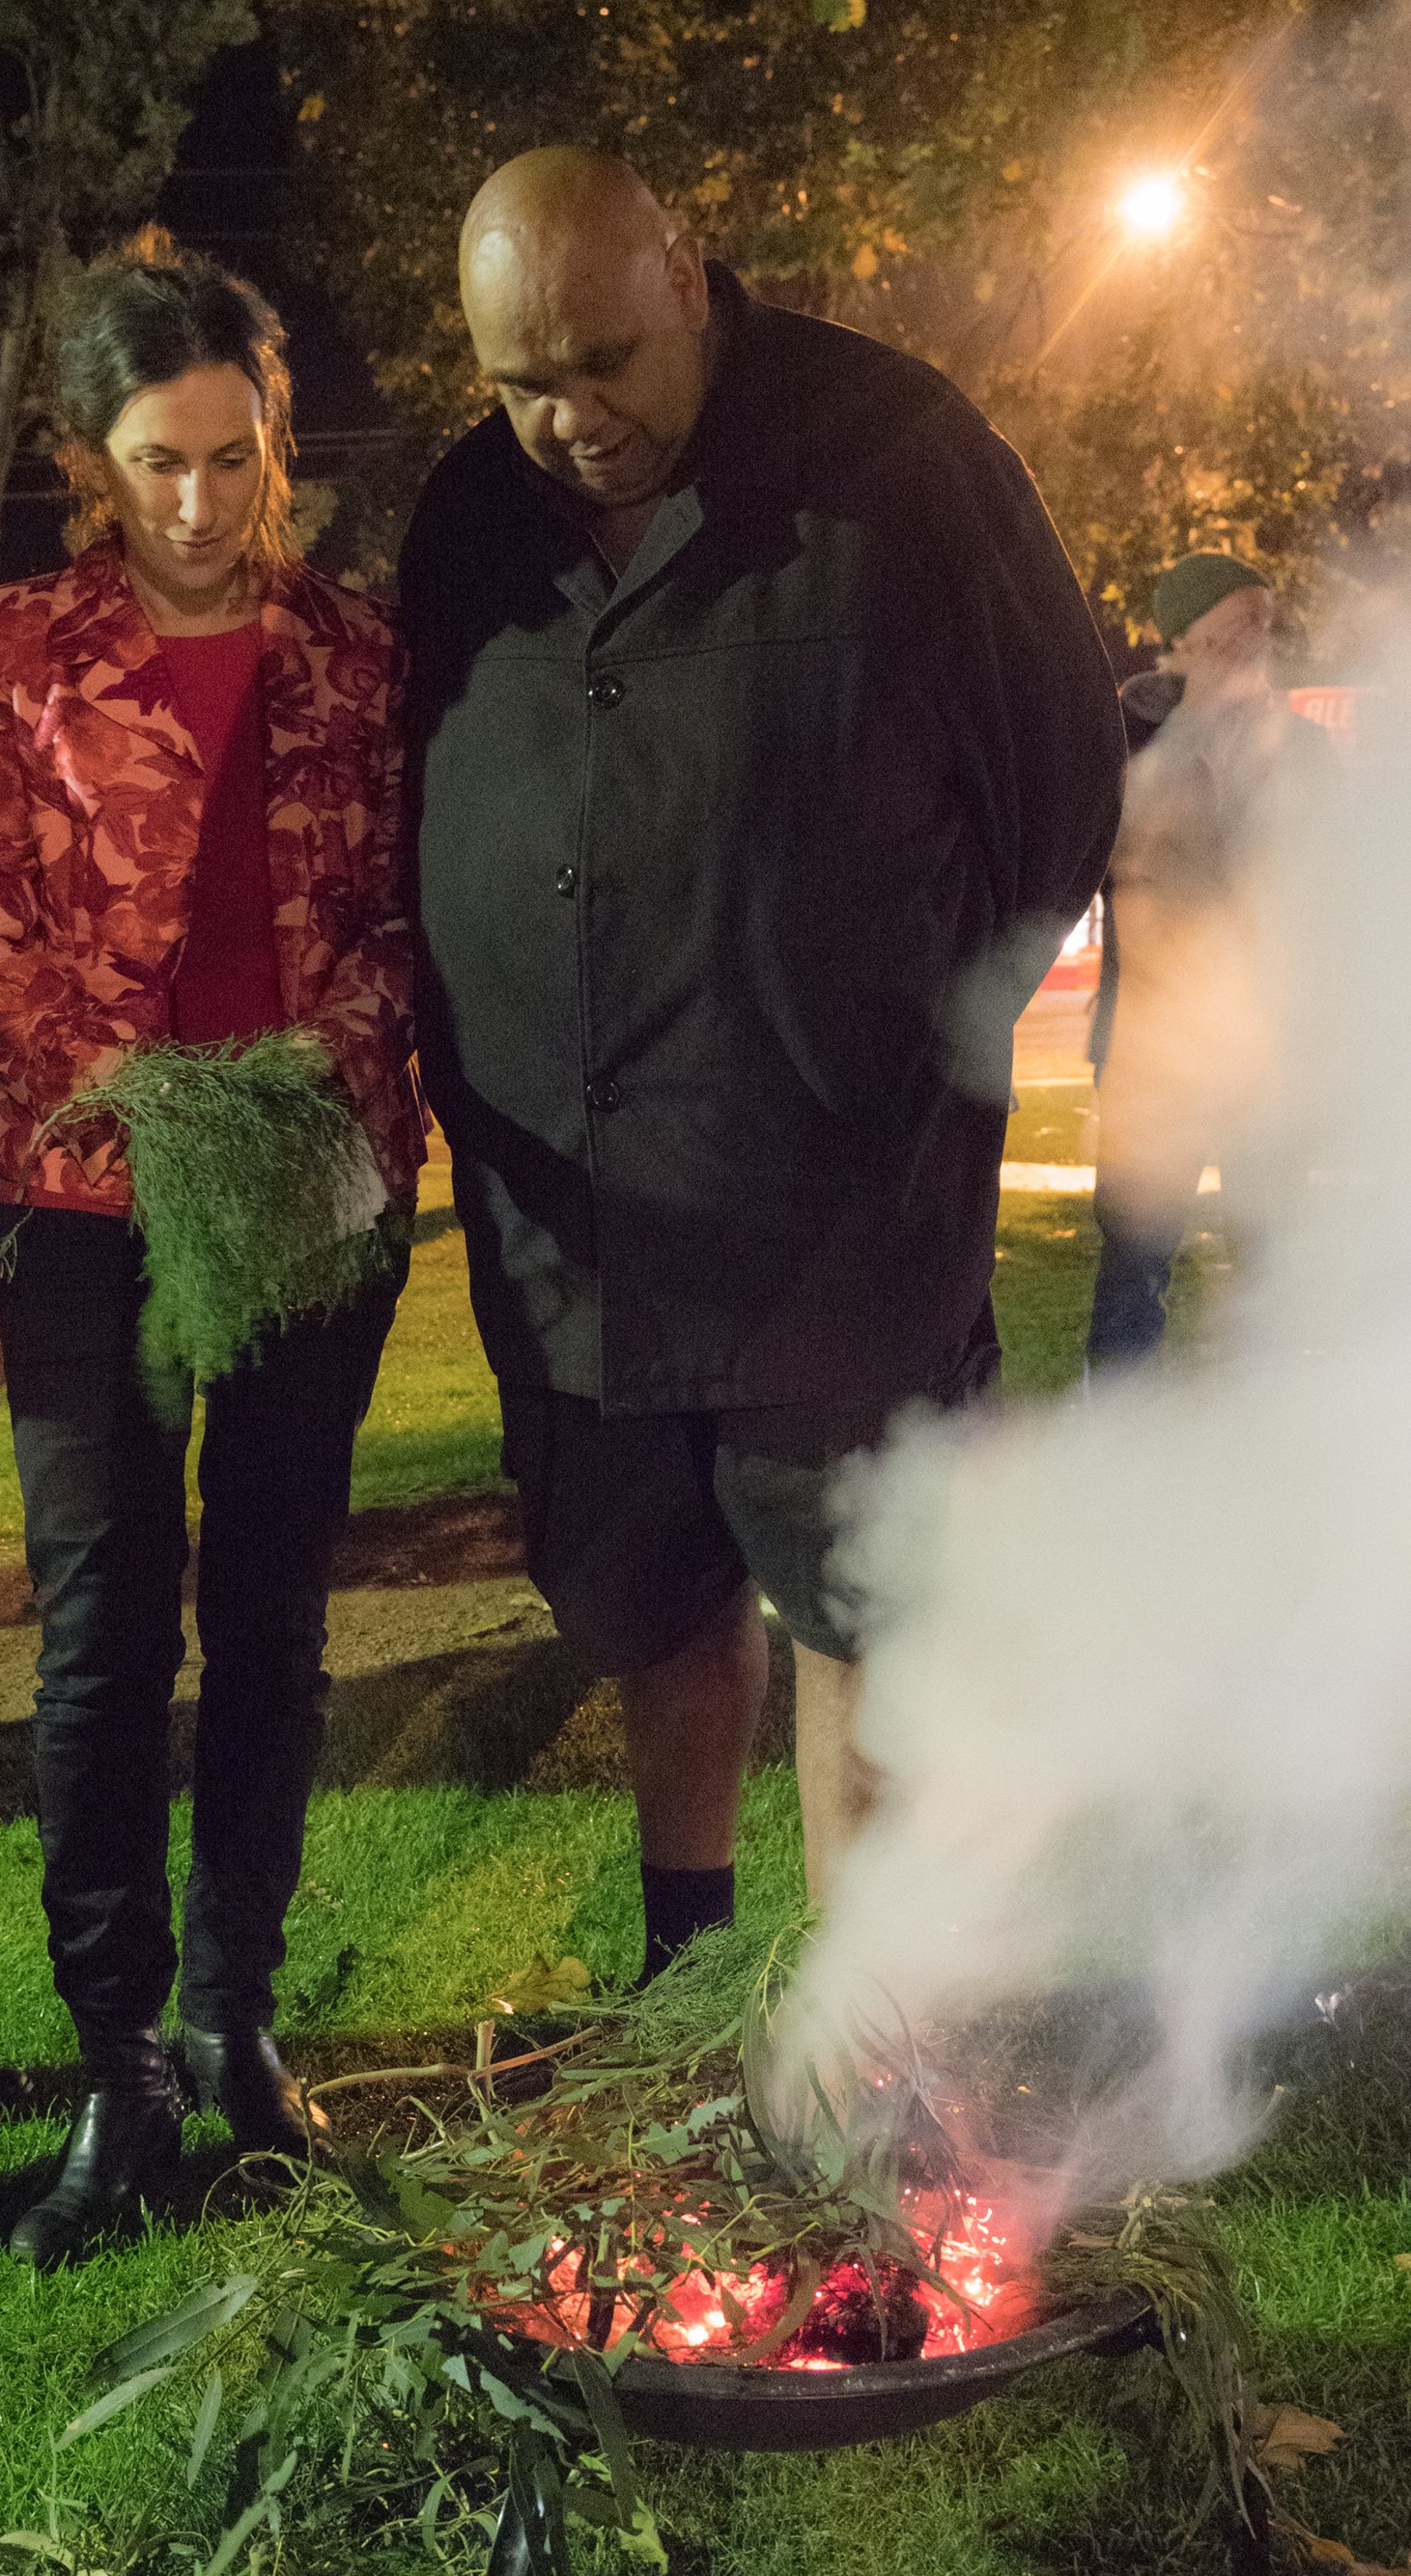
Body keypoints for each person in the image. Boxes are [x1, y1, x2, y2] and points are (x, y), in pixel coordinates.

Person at [401, 148, 1125, 1939]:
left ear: (691, 275)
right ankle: (689, 1971)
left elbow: (1059, 782)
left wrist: (904, 1034)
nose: (568, 419)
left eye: (604, 362)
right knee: (654, 1600)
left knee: (859, 1602)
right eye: (520, 383)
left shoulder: (904, 459)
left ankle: (863, 2021)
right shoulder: (462, 518)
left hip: (838, 1206)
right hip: (585, 1228)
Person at [0, 229, 421, 2268]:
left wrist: (332, 1091)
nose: (201, 506)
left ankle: (238, 2020)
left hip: (313, 1191)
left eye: (235, 458)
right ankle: (116, 2057)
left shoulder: (361, 656)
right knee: (106, 1629)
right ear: (90, 459)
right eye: (159, 462)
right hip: (91, 1208)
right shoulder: (12, 651)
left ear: (279, 443)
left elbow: (398, 919)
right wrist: (143, 1094)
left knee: (280, 1620)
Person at [1086, 553, 1331, 1368]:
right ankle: (1119, 1439)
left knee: (1271, 1262)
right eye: (1232, 624)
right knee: (1135, 1262)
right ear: (1183, 637)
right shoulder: (1121, 741)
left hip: (1270, 1051)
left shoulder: (1303, 749)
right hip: (1151, 1049)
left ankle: (1272, 1437)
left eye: (1262, 621)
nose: (1253, 639)